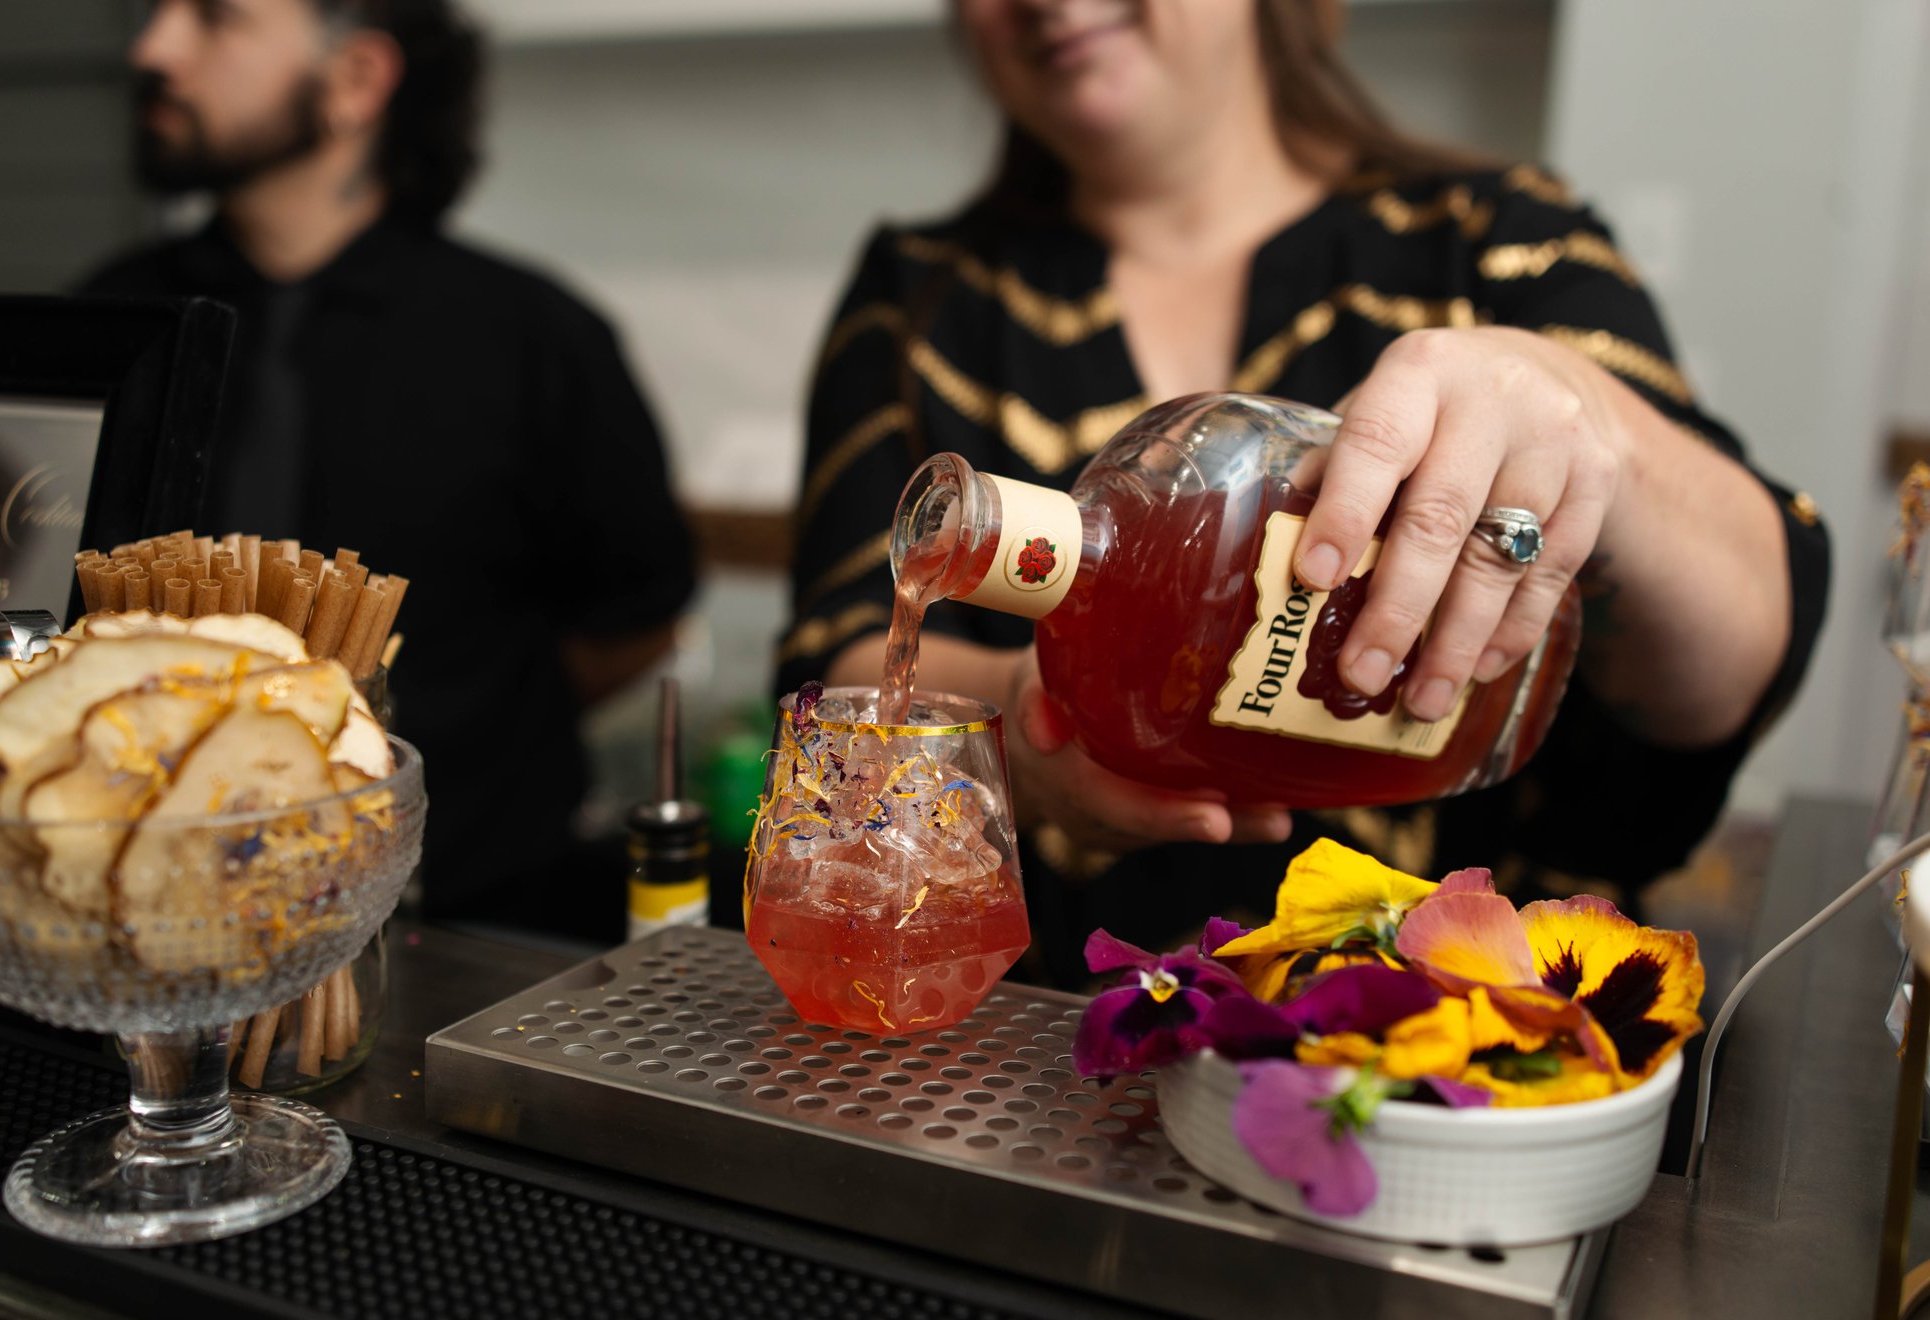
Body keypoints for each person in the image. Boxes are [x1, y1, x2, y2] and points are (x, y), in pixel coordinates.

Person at [779, 0, 1829, 987]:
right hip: (1040, 1063)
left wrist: (1589, 423)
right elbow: (840, 655)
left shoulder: (1491, 239)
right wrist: (1014, 716)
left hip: (1478, 1064)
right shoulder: (917, 300)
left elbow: (1742, 658)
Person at [80, 0, 696, 927]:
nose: (154, 48)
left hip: (474, 919)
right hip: (141, 918)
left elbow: (639, 611)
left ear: (357, 80)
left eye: (215, 18)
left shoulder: (532, 338)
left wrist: (482, 727)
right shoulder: (109, 322)